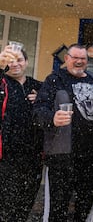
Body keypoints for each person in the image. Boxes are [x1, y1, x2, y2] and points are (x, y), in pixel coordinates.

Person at [34, 43, 93, 222]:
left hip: (91, 156)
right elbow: (38, 110)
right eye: (75, 58)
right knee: (58, 207)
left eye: (83, 59)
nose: (79, 62)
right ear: (67, 59)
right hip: (62, 157)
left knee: (85, 205)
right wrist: (52, 118)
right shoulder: (55, 79)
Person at [0, 46, 43, 222]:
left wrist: (41, 98)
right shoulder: (2, 82)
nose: (15, 64)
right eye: (10, 60)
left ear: (26, 62)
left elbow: (56, 100)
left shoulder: (36, 86)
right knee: (6, 205)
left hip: (33, 157)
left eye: (19, 60)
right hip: (6, 156)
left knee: (25, 205)